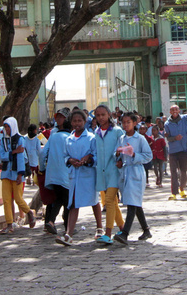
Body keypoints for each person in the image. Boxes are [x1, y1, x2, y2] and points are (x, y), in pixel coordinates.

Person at [56, 110, 101, 246]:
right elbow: (65, 156)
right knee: (74, 203)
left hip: (88, 174)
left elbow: (96, 155)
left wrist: (88, 159)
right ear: (71, 122)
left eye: (79, 121)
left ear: (85, 121)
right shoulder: (68, 139)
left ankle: (99, 228)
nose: (77, 123)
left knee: (94, 201)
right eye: (74, 121)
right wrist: (70, 160)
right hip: (74, 176)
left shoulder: (91, 138)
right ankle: (69, 234)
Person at [113, 113, 153, 244]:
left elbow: (148, 156)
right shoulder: (121, 138)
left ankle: (125, 233)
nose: (125, 125)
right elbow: (116, 154)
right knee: (135, 203)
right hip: (125, 173)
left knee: (132, 204)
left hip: (136, 172)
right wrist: (118, 157)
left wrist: (134, 155)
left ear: (135, 123)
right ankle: (146, 230)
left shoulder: (140, 139)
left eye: (128, 122)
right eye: (123, 122)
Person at [0, 117, 35, 233]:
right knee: (6, 199)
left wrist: (20, 174)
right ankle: (9, 223)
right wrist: (13, 152)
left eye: (8, 127)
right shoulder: (3, 140)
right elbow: (1, 155)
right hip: (6, 173)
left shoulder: (19, 139)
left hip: (16, 172)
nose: (7, 129)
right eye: (5, 127)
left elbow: (20, 157)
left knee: (18, 198)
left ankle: (29, 212)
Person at [93, 104, 125, 245]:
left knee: (109, 200)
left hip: (114, 170)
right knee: (113, 202)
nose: (100, 117)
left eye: (103, 115)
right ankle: (123, 229)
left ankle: (108, 233)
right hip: (102, 172)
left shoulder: (117, 131)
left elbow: (124, 148)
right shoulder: (96, 133)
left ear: (109, 115)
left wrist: (120, 159)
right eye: (98, 115)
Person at [40, 108, 72, 235]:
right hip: (66, 175)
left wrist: (42, 168)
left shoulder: (53, 136)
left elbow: (43, 153)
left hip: (53, 175)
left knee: (59, 199)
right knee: (67, 201)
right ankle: (67, 227)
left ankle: (51, 221)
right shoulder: (70, 137)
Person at [163, 105, 187, 200]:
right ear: (170, 112)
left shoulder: (184, 119)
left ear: (179, 110)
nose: (174, 111)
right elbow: (168, 138)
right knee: (173, 172)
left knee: (183, 171)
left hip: (183, 150)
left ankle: (182, 189)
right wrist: (175, 138)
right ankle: (174, 193)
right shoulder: (167, 123)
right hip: (173, 151)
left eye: (176, 109)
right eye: (172, 110)